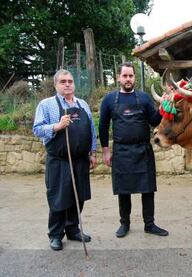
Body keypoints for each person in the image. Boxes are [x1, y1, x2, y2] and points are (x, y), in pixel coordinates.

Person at [99, 62, 168, 238]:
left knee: (148, 189)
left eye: (131, 76)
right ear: (118, 77)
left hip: (143, 150)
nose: (128, 79)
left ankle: (150, 224)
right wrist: (106, 150)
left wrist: (164, 107)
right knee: (123, 191)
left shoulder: (144, 98)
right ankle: (125, 224)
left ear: (134, 78)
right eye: (125, 76)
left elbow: (153, 121)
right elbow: (103, 126)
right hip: (121, 151)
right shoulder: (109, 100)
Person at [33, 69, 97, 251]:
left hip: (80, 160)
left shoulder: (82, 104)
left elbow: (91, 130)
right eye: (63, 81)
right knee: (58, 197)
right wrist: (57, 126)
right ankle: (55, 234)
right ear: (56, 85)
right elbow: (37, 129)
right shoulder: (46, 105)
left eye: (70, 81)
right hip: (59, 160)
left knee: (79, 196)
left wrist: (92, 152)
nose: (67, 84)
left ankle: (72, 229)